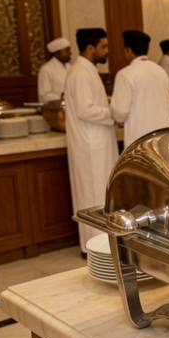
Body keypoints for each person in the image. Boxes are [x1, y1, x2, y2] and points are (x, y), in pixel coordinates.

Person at [64, 28, 119, 254]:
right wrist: (113, 113)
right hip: (90, 146)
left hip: (96, 142)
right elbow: (84, 110)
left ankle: (100, 246)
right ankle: (94, 249)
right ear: (90, 48)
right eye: (103, 46)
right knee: (93, 195)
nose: (107, 51)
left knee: (98, 194)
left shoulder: (87, 70)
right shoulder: (80, 73)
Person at [111, 30, 169, 148]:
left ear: (128, 49)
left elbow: (119, 112)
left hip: (139, 142)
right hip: (162, 139)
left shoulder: (125, 74)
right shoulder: (161, 71)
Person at [37, 37, 72, 102]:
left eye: (69, 50)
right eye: (67, 51)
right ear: (56, 53)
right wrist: (65, 99)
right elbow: (44, 95)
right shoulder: (46, 69)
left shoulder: (70, 67)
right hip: (57, 108)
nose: (70, 53)